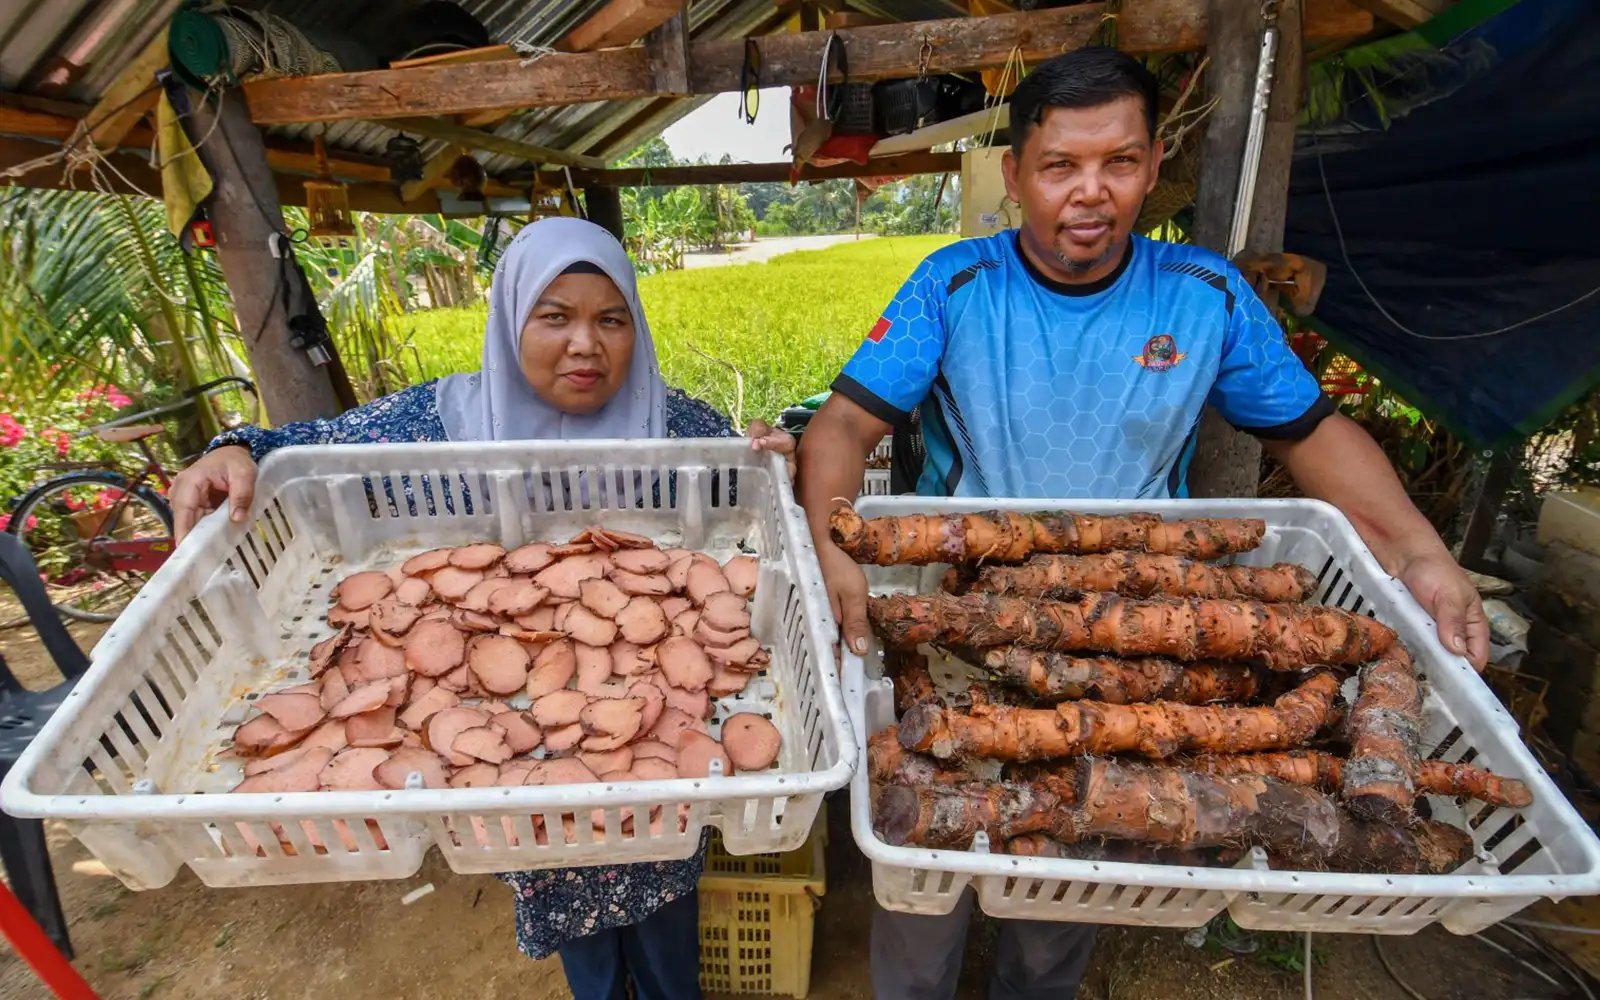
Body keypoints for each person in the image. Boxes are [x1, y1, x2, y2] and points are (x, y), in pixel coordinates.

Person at [796, 47, 1489, 1000]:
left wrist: (1421, 552)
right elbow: (842, 425)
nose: (1090, 193)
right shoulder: (955, 286)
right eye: (1060, 167)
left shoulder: (1204, 297)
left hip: (1141, 623)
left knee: (1082, 858)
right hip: (958, 611)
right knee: (927, 861)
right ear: (1016, 174)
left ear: (1154, 165)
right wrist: (836, 551)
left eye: (1118, 163)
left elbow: (1312, 432)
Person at [169, 216, 795, 1000]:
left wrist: (774, 455)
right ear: (508, 319)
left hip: (653, 759)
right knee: (578, 931)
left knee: (667, 917)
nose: (585, 345)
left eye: (611, 319)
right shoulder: (438, 424)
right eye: (554, 316)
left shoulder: (676, 426)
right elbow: (305, 448)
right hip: (516, 767)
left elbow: (748, 476)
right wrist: (235, 447)